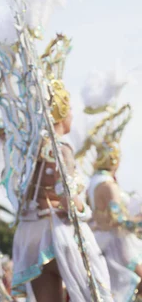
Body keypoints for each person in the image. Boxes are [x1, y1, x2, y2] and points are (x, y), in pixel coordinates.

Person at [11, 77, 112, 301]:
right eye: (71, 109)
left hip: (30, 233)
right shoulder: (61, 148)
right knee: (96, 294)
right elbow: (68, 200)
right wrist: (84, 209)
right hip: (56, 232)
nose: (73, 115)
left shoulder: (30, 149)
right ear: (61, 109)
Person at [86, 105, 142, 301]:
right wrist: (138, 222)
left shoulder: (93, 183)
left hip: (100, 243)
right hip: (116, 247)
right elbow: (119, 219)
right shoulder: (108, 185)